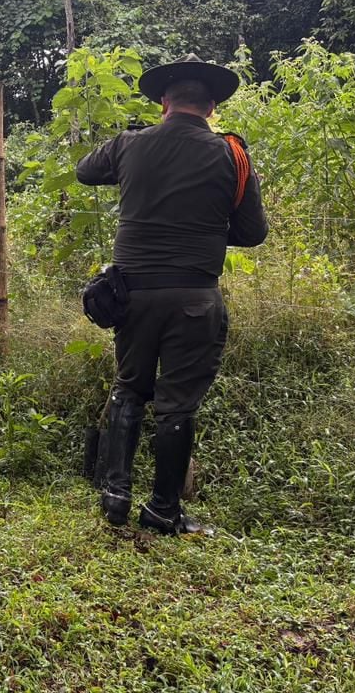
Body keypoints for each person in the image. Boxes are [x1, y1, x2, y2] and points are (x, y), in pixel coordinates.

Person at [76, 53, 269, 535]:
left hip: (133, 293)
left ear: (163, 102)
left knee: (129, 386)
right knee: (177, 403)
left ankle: (114, 493)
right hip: (195, 297)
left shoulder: (129, 144)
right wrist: (201, 227)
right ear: (212, 106)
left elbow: (83, 170)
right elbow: (252, 233)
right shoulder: (232, 154)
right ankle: (164, 509)